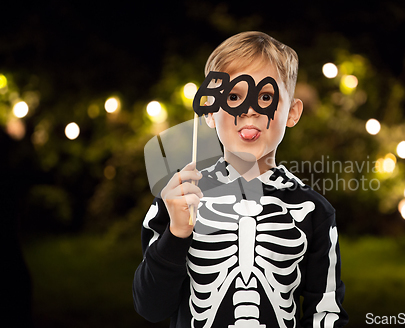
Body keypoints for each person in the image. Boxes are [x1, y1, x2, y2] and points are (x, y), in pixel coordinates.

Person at [133, 31, 348, 328]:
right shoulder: (178, 199)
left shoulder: (314, 212)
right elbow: (150, 307)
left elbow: (326, 314)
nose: (249, 110)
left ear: (292, 113)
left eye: (266, 97)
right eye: (233, 96)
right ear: (208, 111)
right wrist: (176, 234)